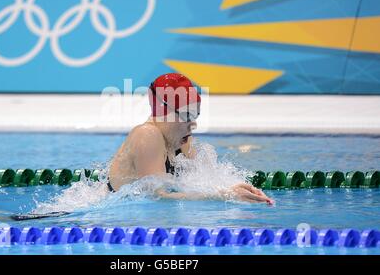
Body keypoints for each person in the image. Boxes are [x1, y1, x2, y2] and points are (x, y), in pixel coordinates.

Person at [108, 73, 274, 205]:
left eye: (195, 115)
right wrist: (224, 195)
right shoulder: (147, 135)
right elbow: (159, 198)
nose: (193, 124)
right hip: (116, 217)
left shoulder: (182, 140)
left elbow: (207, 180)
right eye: (187, 115)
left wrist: (240, 189)